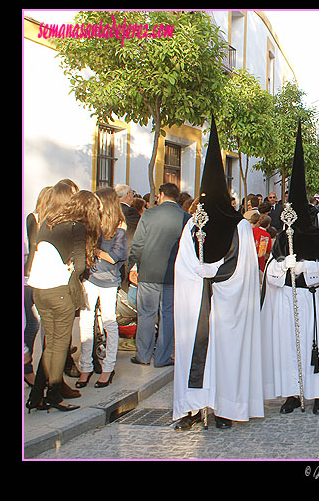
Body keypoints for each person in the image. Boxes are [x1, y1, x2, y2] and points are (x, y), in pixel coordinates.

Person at [173, 117, 264, 430]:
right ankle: (193, 408)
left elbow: (244, 267)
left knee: (225, 355)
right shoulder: (193, 223)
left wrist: (216, 274)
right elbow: (183, 260)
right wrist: (197, 273)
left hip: (227, 306)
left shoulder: (239, 226)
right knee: (195, 353)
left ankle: (225, 408)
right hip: (198, 303)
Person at [261, 122, 319, 415]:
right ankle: (292, 394)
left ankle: (318, 395)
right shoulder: (280, 240)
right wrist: (282, 268)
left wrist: (307, 268)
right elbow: (269, 273)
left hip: (314, 302)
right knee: (288, 348)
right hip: (287, 302)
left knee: (316, 346)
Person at [26, 190, 102, 412]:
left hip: (39, 290)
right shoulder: (76, 227)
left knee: (52, 345)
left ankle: (36, 396)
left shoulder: (50, 220)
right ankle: (54, 395)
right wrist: (73, 270)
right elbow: (80, 266)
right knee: (59, 346)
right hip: (59, 291)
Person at [127, 182, 190, 368]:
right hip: (173, 274)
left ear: (161, 195)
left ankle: (143, 355)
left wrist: (134, 265)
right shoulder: (185, 217)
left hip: (148, 271)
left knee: (146, 314)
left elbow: (138, 244)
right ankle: (162, 357)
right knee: (168, 315)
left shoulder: (148, 214)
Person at [75, 187, 127, 388]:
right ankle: (85, 366)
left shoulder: (119, 225)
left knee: (109, 322)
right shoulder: (92, 222)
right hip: (90, 277)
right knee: (85, 323)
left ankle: (108, 367)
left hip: (109, 280)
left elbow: (115, 256)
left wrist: (95, 251)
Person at [24, 186, 52, 387]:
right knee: (32, 323)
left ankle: (43, 366)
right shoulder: (33, 218)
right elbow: (34, 245)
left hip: (44, 276)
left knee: (41, 323)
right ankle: (28, 366)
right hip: (32, 276)